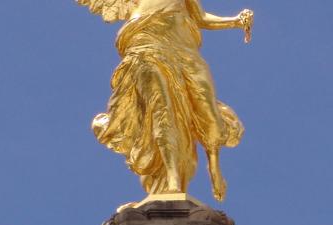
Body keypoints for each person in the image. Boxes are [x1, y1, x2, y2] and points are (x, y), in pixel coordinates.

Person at [79, 0, 254, 201]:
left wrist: (235, 21)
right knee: (161, 107)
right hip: (144, 42)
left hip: (184, 50)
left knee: (208, 112)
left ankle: (213, 163)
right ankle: (172, 179)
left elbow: (201, 18)